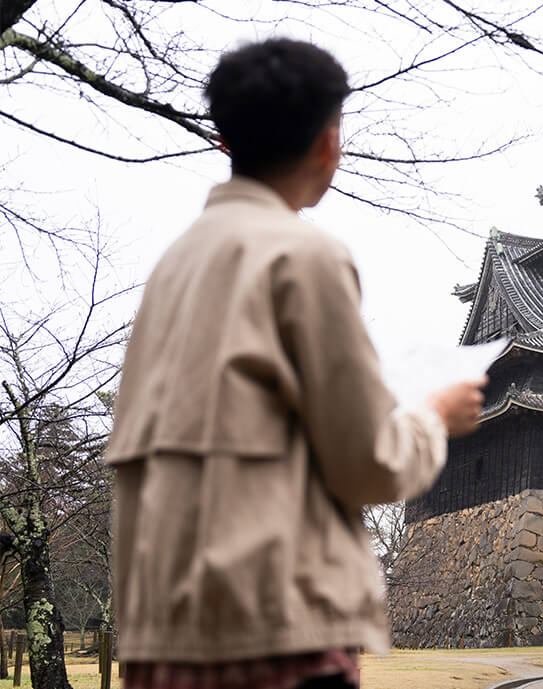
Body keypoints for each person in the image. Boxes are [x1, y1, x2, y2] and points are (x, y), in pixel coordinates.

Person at [106, 39, 487, 689]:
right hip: (274, 622)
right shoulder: (304, 256)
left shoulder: (176, 263)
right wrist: (433, 417)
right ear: (328, 142)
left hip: (162, 628)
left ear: (224, 139)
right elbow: (366, 461)